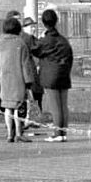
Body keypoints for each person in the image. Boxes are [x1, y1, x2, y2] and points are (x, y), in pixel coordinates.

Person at [0, 16, 37, 143]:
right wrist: (29, 82)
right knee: (18, 107)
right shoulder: (20, 43)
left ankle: (9, 134)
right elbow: (25, 65)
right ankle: (19, 133)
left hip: (4, 79)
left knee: (7, 107)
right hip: (18, 79)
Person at [36, 8, 74, 142]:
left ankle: (57, 133)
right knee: (63, 105)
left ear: (43, 23)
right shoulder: (63, 40)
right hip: (64, 74)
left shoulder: (45, 40)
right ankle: (63, 132)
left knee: (54, 106)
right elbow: (70, 57)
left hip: (50, 76)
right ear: (56, 21)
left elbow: (35, 49)